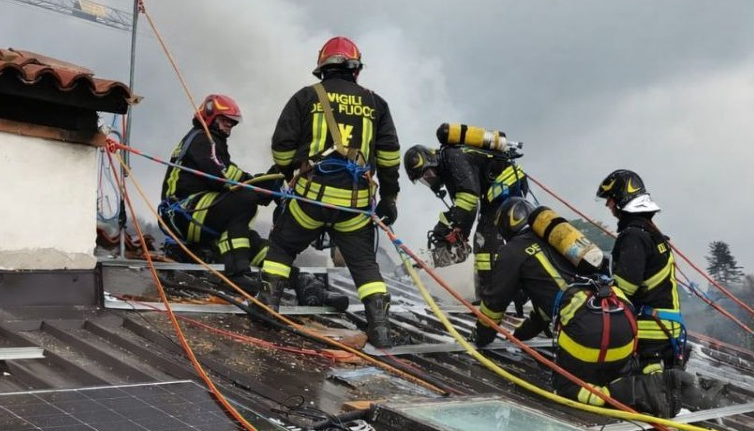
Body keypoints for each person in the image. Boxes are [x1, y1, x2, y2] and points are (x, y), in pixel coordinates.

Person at [257, 37, 401, 347]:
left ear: (322, 69)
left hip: (309, 201)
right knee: (364, 265)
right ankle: (381, 330)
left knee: (281, 247)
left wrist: (285, 174)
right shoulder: (376, 103)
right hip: (354, 207)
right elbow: (389, 157)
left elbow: (282, 149)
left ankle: (267, 308)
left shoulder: (306, 97)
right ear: (356, 70)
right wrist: (389, 197)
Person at [475, 197, 678, 415]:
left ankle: (638, 393)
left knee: (568, 389)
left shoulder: (512, 251)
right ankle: (653, 383)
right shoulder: (560, 245)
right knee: (605, 376)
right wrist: (519, 335)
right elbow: (544, 310)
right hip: (621, 316)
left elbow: (494, 304)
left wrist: (481, 339)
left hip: (587, 326)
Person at [159, 93, 346, 309]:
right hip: (180, 213)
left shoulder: (212, 141)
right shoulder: (202, 139)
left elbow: (228, 180)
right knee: (244, 199)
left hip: (200, 213)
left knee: (255, 244)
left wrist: (264, 184)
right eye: (224, 121)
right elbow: (224, 176)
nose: (229, 127)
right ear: (209, 116)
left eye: (232, 123)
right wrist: (259, 187)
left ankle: (303, 283)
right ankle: (238, 272)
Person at [403, 131, 527, 301]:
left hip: (506, 185)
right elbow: (462, 205)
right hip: (494, 192)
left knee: (486, 240)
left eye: (428, 174)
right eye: (424, 179)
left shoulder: (452, 158)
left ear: (432, 160)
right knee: (483, 242)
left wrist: (455, 231)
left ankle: (494, 297)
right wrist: (449, 230)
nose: (429, 180)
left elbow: (468, 199)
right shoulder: (449, 168)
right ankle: (488, 295)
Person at [595, 169, 686, 373]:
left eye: (609, 199)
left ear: (620, 199)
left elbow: (626, 287)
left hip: (651, 333)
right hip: (666, 328)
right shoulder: (652, 233)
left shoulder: (634, 236)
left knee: (644, 390)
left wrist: (601, 286)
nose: (607, 205)